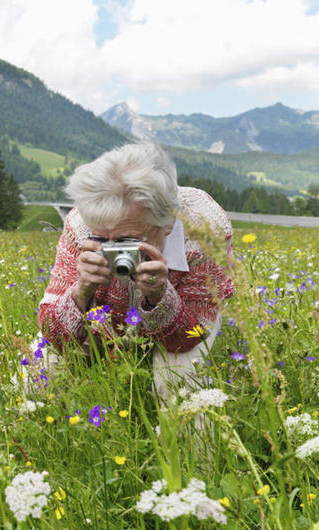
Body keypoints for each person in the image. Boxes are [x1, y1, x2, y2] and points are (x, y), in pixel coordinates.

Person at [37, 142, 235, 401]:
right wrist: (81, 291)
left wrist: (160, 296)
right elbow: (52, 335)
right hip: (104, 323)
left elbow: (190, 337)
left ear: (166, 224)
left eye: (126, 241)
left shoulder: (206, 228)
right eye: (100, 239)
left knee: (177, 383)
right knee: (35, 377)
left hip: (182, 321)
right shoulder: (82, 222)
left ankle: (186, 428)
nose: (112, 251)